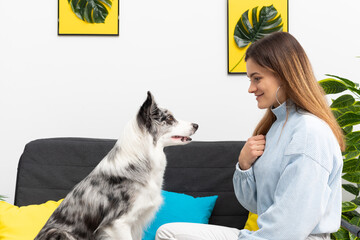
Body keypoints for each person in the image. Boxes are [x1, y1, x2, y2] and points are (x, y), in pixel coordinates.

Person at [155, 32, 344, 240]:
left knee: (170, 235)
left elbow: (291, 227)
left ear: (283, 74)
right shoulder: (276, 127)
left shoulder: (309, 132)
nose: (250, 89)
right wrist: (244, 166)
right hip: (266, 236)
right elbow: (256, 205)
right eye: (250, 79)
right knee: (168, 232)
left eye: (257, 78)